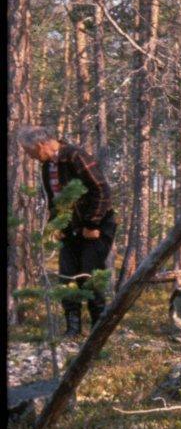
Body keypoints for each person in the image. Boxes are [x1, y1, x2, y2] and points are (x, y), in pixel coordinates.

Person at [17, 126, 117, 336]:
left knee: (90, 276)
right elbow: (55, 200)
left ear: (40, 145)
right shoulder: (47, 167)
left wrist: (92, 224)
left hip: (96, 227)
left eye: (31, 152)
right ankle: (73, 330)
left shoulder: (75, 156)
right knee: (67, 276)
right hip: (71, 228)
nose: (32, 158)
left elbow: (102, 190)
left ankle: (100, 330)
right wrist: (58, 224)